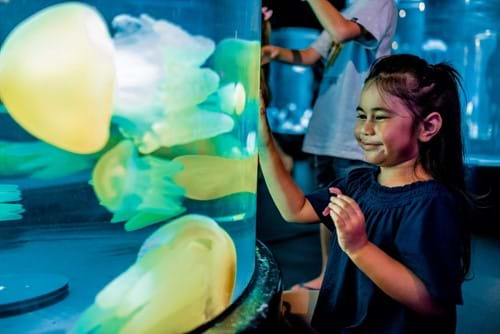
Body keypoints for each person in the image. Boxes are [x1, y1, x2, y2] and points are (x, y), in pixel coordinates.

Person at [258, 53, 472, 333]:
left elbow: (433, 305)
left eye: (380, 117)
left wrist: (360, 248)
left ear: (428, 126)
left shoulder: (433, 204)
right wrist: (263, 135)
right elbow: (295, 210)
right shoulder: (359, 182)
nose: (364, 129)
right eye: (361, 115)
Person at [261, 0, 398, 291]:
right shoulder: (348, 9)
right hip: (328, 132)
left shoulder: (379, 2)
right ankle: (329, 274)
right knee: (328, 208)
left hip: (355, 137)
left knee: (356, 212)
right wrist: (273, 51)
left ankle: (357, 281)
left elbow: (339, 30)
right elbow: (311, 55)